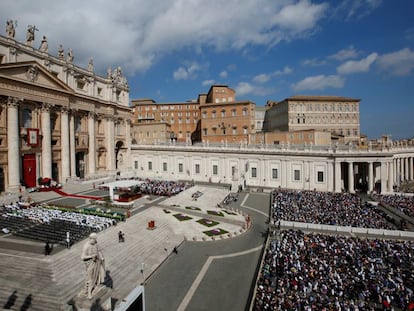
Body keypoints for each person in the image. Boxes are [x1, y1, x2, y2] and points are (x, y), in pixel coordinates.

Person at [81, 233, 105, 299]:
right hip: (89, 264)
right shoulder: (86, 246)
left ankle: (89, 288)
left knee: (96, 275)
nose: (95, 241)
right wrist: (91, 256)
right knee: (90, 278)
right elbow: (82, 257)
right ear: (91, 239)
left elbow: (99, 250)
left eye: (95, 239)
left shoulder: (95, 243)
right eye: (94, 239)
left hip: (96, 261)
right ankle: (89, 293)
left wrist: (101, 257)